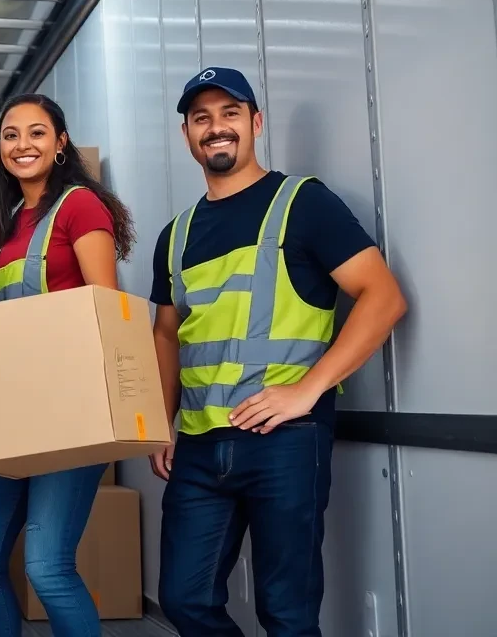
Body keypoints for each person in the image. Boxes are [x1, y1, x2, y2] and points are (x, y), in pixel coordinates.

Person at [150, 67, 407, 636]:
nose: (216, 129)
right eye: (201, 119)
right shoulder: (176, 234)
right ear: (187, 135)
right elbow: (167, 333)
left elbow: (383, 298)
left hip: (284, 442)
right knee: (184, 599)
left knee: (286, 612)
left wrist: (307, 390)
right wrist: (161, 420)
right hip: (197, 446)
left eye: (230, 114)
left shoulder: (303, 204)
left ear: (256, 123)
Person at [0, 93, 137, 637]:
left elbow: (106, 304)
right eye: (10, 135)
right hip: (13, 413)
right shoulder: (11, 221)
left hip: (70, 408)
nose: (21, 144)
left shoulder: (80, 205)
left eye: (36, 133)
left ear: (60, 144)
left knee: (47, 566)